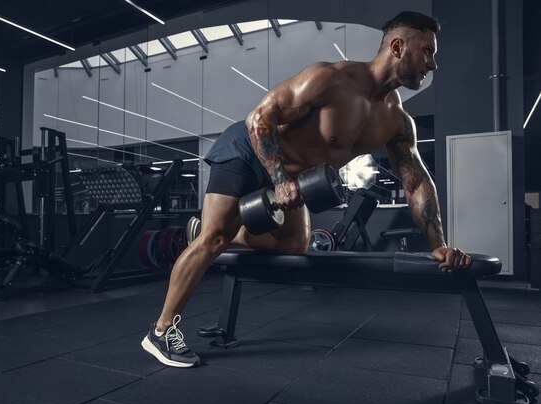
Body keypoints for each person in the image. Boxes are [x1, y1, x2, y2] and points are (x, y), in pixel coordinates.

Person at [142, 11, 471, 368]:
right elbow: (259, 118)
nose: (432, 63)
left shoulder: (396, 121)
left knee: (295, 245)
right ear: (398, 47)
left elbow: (416, 180)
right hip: (248, 150)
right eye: (427, 51)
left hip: (293, 181)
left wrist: (438, 245)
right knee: (213, 239)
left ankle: (215, 226)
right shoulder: (329, 79)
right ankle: (160, 332)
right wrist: (280, 178)